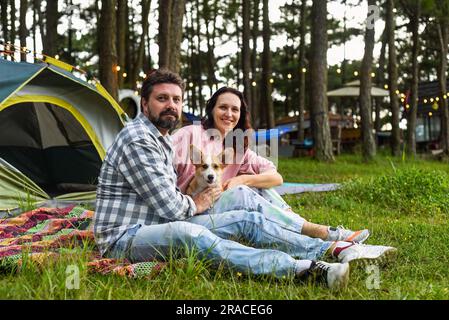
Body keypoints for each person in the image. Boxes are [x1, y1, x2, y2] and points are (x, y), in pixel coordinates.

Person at [93, 69, 397, 290]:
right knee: (193, 236)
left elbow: (271, 174)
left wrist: (235, 184)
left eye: (176, 99)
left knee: (246, 218)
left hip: (158, 220)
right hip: (126, 236)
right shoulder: (140, 140)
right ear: (144, 104)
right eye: (162, 99)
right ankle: (306, 270)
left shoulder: (162, 138)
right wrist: (198, 199)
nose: (171, 105)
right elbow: (173, 208)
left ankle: (332, 248)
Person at [172, 87, 368, 243]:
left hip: (218, 205)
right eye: (223, 107)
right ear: (212, 109)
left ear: (241, 114)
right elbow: (162, 166)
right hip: (188, 210)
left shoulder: (237, 147)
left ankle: (307, 229)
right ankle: (316, 231)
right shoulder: (190, 133)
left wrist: (243, 178)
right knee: (244, 193)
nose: (229, 114)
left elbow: (276, 178)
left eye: (235, 109)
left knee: (260, 188)